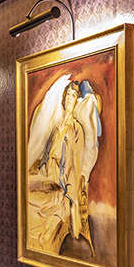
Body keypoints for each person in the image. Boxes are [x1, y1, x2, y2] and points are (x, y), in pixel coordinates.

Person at [27, 78, 101, 256]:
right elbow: (45, 158)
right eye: (67, 94)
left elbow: (75, 167)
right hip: (47, 177)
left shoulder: (76, 130)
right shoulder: (56, 128)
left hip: (61, 186)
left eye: (73, 95)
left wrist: (70, 198)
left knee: (43, 223)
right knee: (26, 194)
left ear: (76, 101)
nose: (69, 98)